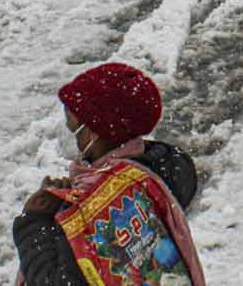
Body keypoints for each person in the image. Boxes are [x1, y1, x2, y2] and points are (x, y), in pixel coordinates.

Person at [12, 62, 206, 286]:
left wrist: (35, 222)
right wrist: (71, 202)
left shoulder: (104, 206)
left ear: (94, 132)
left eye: (72, 125)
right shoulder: (152, 170)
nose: (66, 132)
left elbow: (57, 280)